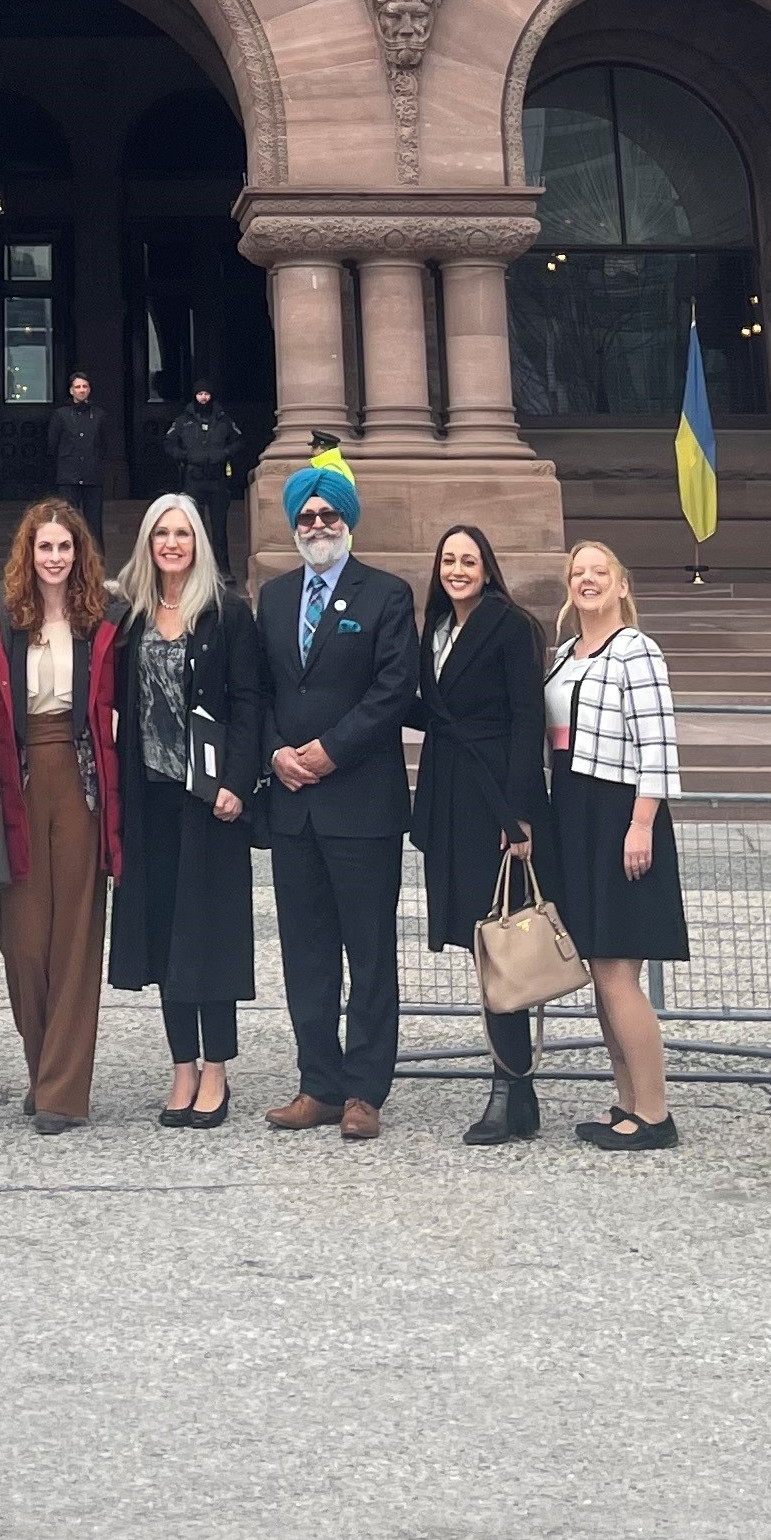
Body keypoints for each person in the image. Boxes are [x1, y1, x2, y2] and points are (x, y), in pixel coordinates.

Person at [256, 443, 418, 1138]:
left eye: (329, 515)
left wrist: (329, 751)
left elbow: (393, 689)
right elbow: (257, 689)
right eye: (307, 516)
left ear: (348, 521)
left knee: (370, 953)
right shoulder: (273, 597)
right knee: (307, 954)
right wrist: (274, 751)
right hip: (293, 808)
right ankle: (318, 1085)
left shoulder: (387, 594)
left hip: (361, 806)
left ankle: (364, 1092)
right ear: (294, 524)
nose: (318, 525)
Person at [107, 489, 262, 1127]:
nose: (172, 543)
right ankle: (181, 1066)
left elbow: (250, 702)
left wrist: (238, 782)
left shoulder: (227, 613)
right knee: (166, 931)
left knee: (211, 933)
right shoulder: (131, 618)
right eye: (161, 533)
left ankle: (217, 1067)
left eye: (183, 533)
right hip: (151, 797)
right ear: (148, 543)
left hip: (210, 801)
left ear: (198, 543)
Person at [0, 496, 120, 1129]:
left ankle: (62, 1092)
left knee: (76, 939)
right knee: (24, 940)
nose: (55, 557)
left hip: (82, 781)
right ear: (27, 554)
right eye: (45, 547)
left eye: (65, 546)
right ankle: (41, 1070)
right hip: (21, 776)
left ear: (78, 553)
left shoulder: (104, 620)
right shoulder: (1, 620)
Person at [411, 522, 553, 1145]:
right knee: (481, 942)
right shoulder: (438, 627)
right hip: (449, 795)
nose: (457, 570)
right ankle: (518, 1091)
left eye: (468, 560)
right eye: (449, 560)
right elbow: (434, 708)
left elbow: (527, 716)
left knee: (502, 946)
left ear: (487, 567)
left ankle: (508, 1087)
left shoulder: (512, 625)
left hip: (493, 798)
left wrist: (518, 813)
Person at [545, 536, 689, 1150]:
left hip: (619, 814)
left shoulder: (637, 650)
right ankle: (626, 1102)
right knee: (599, 967)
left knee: (616, 969)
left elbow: (657, 744)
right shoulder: (563, 655)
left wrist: (641, 823)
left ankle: (654, 1114)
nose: (588, 579)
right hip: (571, 811)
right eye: (578, 572)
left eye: (600, 571)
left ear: (621, 585)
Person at [165, 384, 241, 569]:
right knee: (192, 526)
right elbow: (169, 444)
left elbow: (238, 442)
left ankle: (223, 569)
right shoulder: (183, 421)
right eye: (200, 394)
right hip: (193, 479)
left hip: (217, 479)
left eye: (207, 394)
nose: (204, 398)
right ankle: (193, 568)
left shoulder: (223, 420)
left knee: (219, 529)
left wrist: (223, 453)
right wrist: (185, 456)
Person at [49, 372, 109, 549]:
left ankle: (96, 559)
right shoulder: (61, 415)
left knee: (94, 523)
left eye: (84, 386)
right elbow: (52, 444)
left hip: (92, 474)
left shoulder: (99, 415)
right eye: (77, 387)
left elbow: (103, 444)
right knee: (67, 520)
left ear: (89, 389)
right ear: (71, 390)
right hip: (68, 475)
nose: (81, 390)